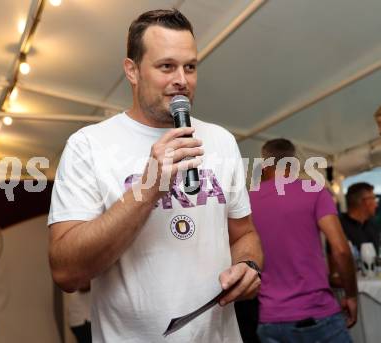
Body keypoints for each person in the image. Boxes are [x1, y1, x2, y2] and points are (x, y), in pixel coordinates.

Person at [47, 8, 263, 343]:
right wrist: (149, 187)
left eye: (190, 66)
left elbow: (244, 234)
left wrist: (248, 266)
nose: (182, 79)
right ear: (132, 71)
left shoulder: (221, 141)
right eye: (167, 66)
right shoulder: (87, 146)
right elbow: (66, 271)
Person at [250, 138, 357, 343]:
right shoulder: (314, 190)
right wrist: (351, 296)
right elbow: (341, 250)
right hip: (317, 314)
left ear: (264, 165)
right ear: (295, 163)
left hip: (270, 319)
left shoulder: (247, 200)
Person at [340, 182, 379, 253]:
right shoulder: (339, 227)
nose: (376, 205)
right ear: (365, 201)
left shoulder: (372, 225)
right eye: (373, 199)